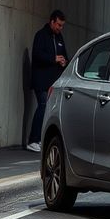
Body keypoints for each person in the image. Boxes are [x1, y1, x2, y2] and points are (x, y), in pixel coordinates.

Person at [27, 10, 68, 152]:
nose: (60, 28)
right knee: (43, 106)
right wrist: (54, 58)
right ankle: (33, 140)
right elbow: (37, 55)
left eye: (62, 26)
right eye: (58, 25)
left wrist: (63, 61)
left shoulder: (59, 37)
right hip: (41, 81)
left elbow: (64, 55)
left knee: (49, 111)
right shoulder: (41, 35)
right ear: (52, 22)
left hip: (53, 82)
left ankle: (40, 140)